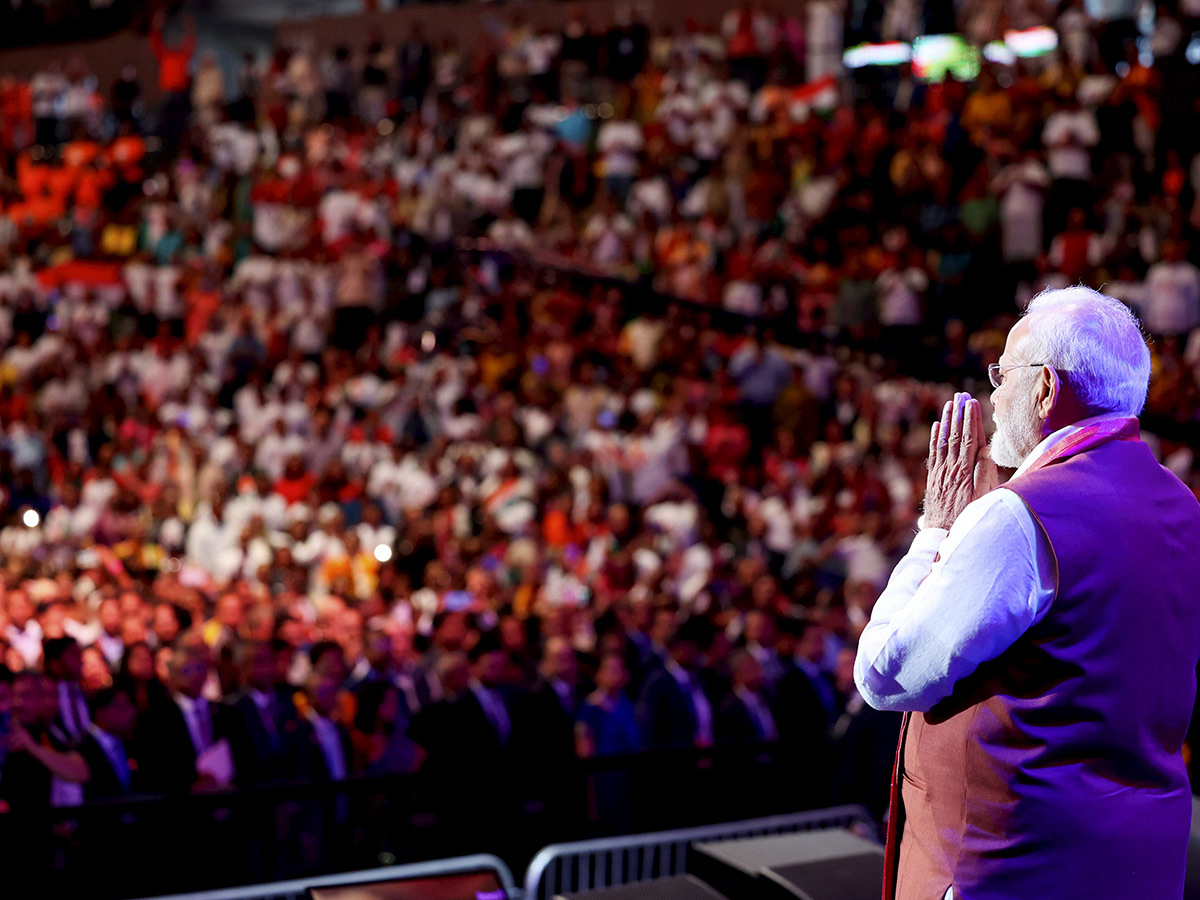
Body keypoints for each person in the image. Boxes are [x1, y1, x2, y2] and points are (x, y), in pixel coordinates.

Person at [855, 287, 1200, 900]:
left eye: (1002, 374)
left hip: (1016, 868)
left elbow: (886, 675)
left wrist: (935, 529)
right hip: (1140, 865)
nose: (993, 394)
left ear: (1043, 388)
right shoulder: (1183, 506)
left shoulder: (1023, 514)